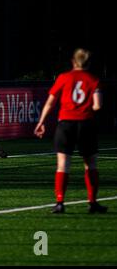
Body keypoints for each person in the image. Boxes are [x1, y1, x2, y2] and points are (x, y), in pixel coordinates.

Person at [34, 48, 107, 214]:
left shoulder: (64, 77)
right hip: (85, 124)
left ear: (73, 62)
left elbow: (51, 102)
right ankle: (93, 202)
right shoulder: (93, 79)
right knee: (90, 164)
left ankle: (60, 202)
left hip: (65, 124)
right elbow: (98, 105)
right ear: (88, 63)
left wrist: (41, 122)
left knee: (62, 165)